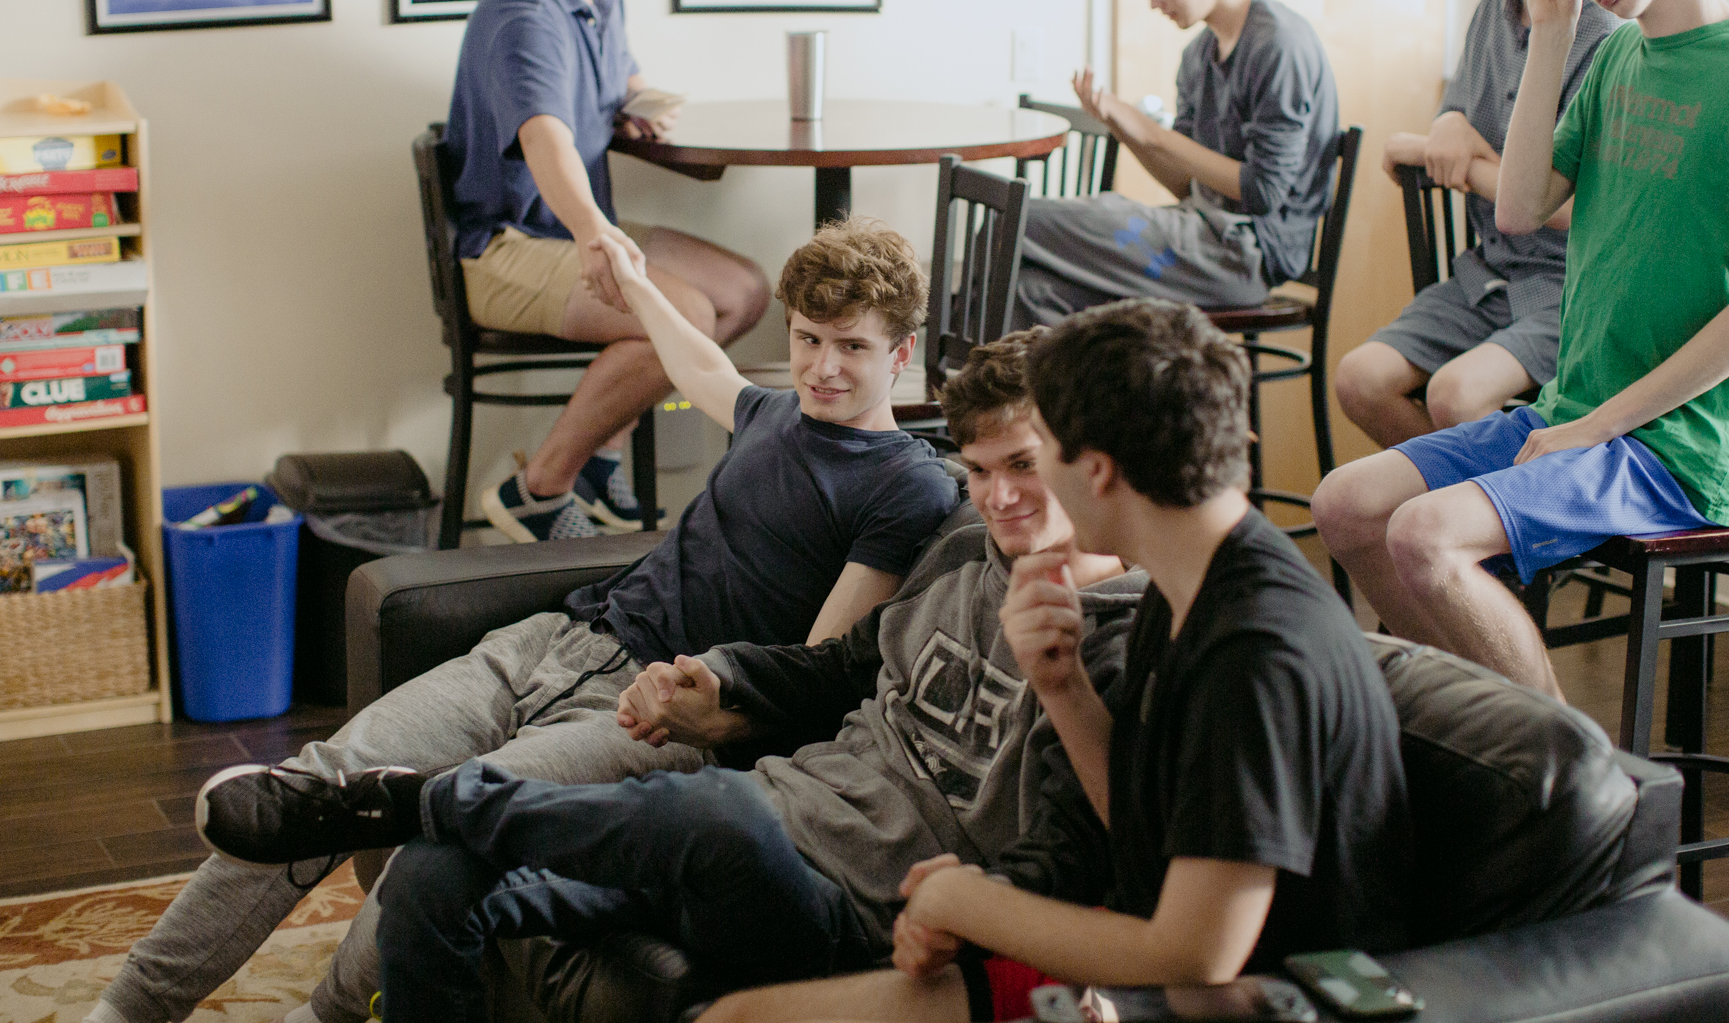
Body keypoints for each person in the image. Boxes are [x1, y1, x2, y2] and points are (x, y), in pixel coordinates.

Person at [83, 219, 959, 1023]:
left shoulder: (904, 484)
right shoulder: (772, 412)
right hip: (554, 640)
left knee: (450, 817)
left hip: (649, 714)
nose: (823, 368)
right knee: (319, 784)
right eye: (808, 340)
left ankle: (327, 1015)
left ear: (903, 352)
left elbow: (805, 666)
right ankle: (128, 1008)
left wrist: (707, 701)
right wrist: (634, 277)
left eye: (853, 347)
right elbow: (697, 362)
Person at [192, 329, 1147, 1023]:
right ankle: (432, 821)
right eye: (978, 471)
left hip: (847, 903)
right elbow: (834, 672)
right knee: (439, 879)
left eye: (1021, 463)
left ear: (1089, 458)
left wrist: (964, 916)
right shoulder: (962, 553)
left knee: (713, 816)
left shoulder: (1122, 642)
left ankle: (411, 801)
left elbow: (1080, 858)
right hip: (781, 805)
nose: (998, 496)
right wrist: (722, 684)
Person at [704, 300, 1411, 1023]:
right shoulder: (1195, 577)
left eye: (1040, 450)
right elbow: (1134, 835)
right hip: (1139, 977)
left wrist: (972, 902)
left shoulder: (1256, 654)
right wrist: (1063, 684)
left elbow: (1201, 954)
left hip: (1255, 997)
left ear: (1096, 470)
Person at [1313, 0, 1729, 697]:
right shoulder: (1614, 58)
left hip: (1685, 443)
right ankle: (1484, 726)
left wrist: (1592, 426)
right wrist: (1551, 33)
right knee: (1345, 505)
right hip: (1581, 406)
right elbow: (1522, 206)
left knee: (1424, 534)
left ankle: (1575, 791)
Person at [445, 0, 771, 540]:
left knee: (744, 291)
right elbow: (545, 138)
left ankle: (601, 455)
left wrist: (630, 103)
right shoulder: (525, 11)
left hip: (559, 227)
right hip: (504, 248)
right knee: (683, 315)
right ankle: (539, 486)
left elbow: (613, 72)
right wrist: (598, 235)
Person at [1340, 0, 1622, 447]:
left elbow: (1576, 210)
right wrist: (1445, 130)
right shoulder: (1491, 10)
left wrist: (1466, 164)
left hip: (1569, 291)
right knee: (1359, 379)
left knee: (1455, 395)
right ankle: (1441, 522)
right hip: (1486, 273)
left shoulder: (1607, 38)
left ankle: (1493, 531)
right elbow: (1453, 123)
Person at [1010, 0, 1341, 325]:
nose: (1153, 1)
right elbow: (1186, 185)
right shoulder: (1198, 55)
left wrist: (1151, 132)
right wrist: (1123, 126)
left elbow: (1263, 192)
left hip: (1247, 254)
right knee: (1028, 290)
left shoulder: (1280, 45)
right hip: (1199, 234)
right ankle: (1037, 394)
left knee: (1015, 216)